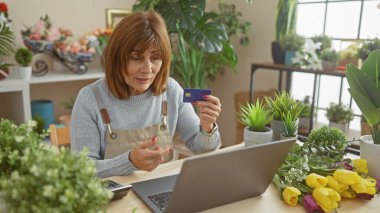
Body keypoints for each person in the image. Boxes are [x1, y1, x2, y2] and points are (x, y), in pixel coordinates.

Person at [71, 11, 222, 178]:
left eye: (155, 58)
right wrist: (129, 161)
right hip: (112, 198)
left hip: (161, 191)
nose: (147, 69)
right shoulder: (90, 99)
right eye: (136, 57)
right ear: (116, 58)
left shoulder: (171, 90)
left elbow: (202, 148)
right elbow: (81, 170)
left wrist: (207, 127)